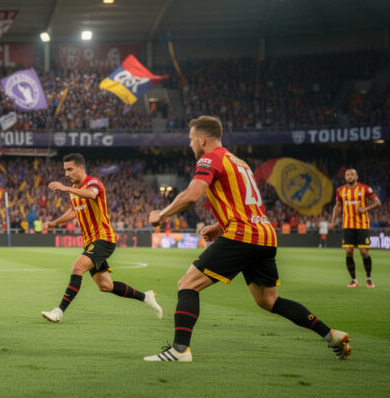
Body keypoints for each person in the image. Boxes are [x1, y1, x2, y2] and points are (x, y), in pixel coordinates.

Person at [145, 116, 350, 362]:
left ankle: (180, 350)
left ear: (202, 139)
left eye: (191, 140)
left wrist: (162, 215)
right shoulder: (239, 162)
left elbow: (191, 195)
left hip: (243, 235)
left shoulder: (210, 158)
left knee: (187, 284)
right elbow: (246, 205)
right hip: (264, 235)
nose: (190, 145)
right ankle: (331, 335)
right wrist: (219, 227)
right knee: (268, 300)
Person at [40, 153, 163, 323]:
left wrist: (65, 188)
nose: (66, 174)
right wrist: (55, 222)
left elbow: (91, 194)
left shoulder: (92, 182)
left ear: (81, 168)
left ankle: (59, 311)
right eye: (65, 170)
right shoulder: (74, 189)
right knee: (106, 286)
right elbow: (75, 210)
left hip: (103, 238)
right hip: (90, 241)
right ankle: (146, 297)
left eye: (70, 169)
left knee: (77, 267)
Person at [330, 168, 381, 288]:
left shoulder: (365, 189)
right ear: (345, 177)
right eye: (347, 174)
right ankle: (353, 280)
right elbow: (337, 206)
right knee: (348, 252)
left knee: (364, 252)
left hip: (362, 225)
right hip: (347, 225)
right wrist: (333, 221)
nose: (349, 176)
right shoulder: (340, 190)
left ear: (357, 177)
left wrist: (365, 209)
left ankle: (368, 278)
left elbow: (378, 202)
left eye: (352, 174)